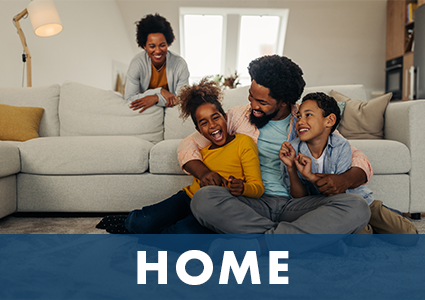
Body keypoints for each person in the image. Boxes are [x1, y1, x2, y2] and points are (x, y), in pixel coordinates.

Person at [177, 55, 372, 241]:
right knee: (204, 199)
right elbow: (189, 144)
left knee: (357, 207)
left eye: (262, 102)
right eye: (251, 96)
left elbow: (358, 158)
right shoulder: (237, 116)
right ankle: (292, 238)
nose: (252, 105)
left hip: (296, 205)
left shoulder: (305, 120)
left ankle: (260, 240)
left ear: (284, 102)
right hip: (251, 204)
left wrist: (345, 179)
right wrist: (203, 172)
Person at [97, 79, 264, 234]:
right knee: (141, 222)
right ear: (198, 130)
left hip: (214, 208)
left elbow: (256, 186)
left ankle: (150, 232)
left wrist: (241, 187)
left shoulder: (243, 142)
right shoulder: (202, 150)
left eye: (215, 118)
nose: (212, 125)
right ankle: (131, 222)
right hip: (188, 198)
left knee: (178, 236)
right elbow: (187, 149)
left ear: (225, 118)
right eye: (204, 123)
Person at [279, 92, 418, 239]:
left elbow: (338, 192)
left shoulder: (341, 145)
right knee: (361, 238)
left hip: (356, 199)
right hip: (330, 208)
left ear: (330, 120)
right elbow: (299, 198)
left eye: (308, 115)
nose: (300, 121)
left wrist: (311, 177)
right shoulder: (292, 150)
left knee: (410, 235)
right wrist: (291, 168)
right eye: (299, 116)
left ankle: (384, 215)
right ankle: (371, 226)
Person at [125, 13, 189, 113]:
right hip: (147, 112)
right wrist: (160, 91)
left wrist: (156, 98)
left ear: (168, 43)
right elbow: (129, 98)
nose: (158, 51)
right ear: (144, 46)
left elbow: (182, 99)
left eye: (162, 45)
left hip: (171, 111)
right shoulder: (137, 63)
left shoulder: (180, 64)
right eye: (152, 46)